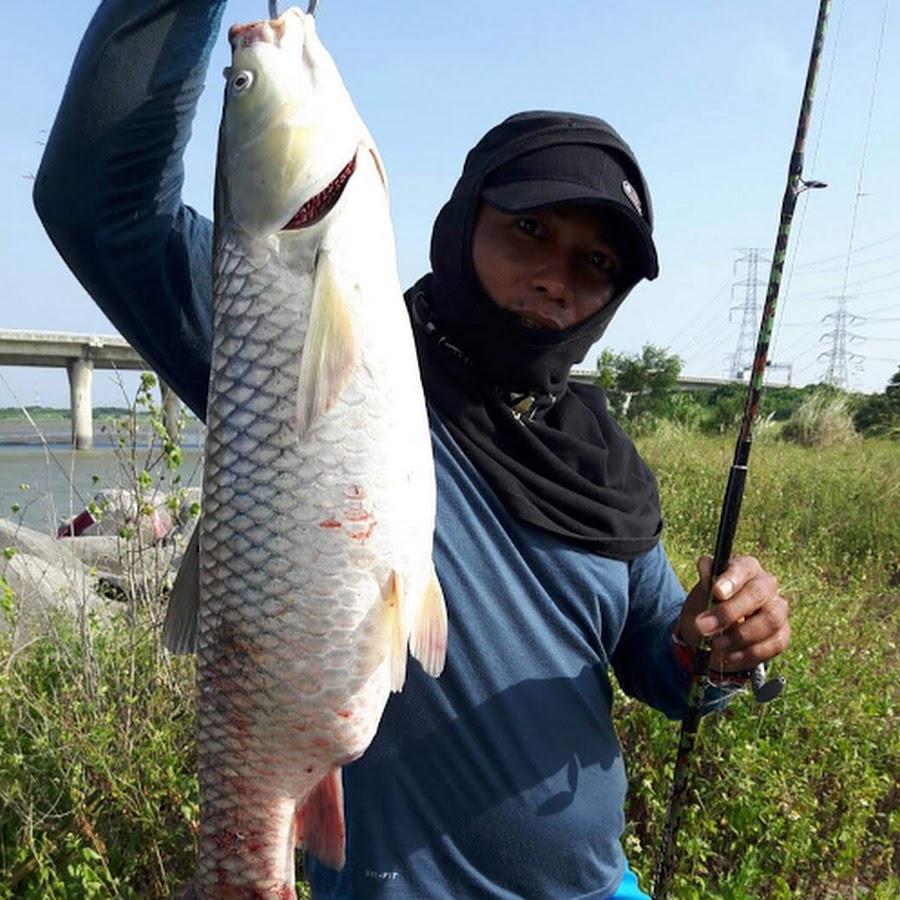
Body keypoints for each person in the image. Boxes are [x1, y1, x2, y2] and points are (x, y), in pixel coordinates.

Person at [34, 2, 790, 897]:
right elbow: (99, 204)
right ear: (464, 221)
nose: (556, 278)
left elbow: (661, 667)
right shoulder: (308, 340)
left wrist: (719, 645)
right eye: (530, 229)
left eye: (596, 264)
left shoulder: (604, 465)